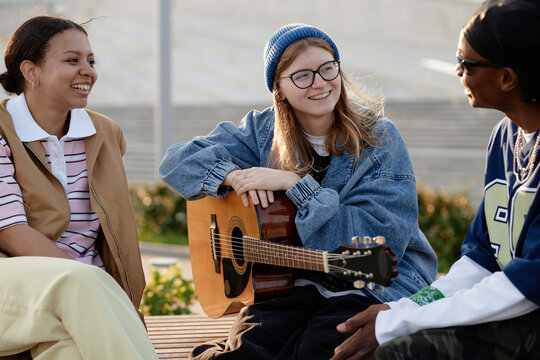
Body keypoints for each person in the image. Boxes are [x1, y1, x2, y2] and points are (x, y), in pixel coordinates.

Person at [159, 23, 437, 359]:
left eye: (328, 68)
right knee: (243, 355)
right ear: (279, 87)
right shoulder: (262, 132)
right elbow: (176, 162)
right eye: (303, 75)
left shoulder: (379, 137)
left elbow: (377, 240)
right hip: (286, 284)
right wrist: (233, 176)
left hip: (370, 285)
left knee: (320, 352)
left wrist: (294, 186)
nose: (320, 83)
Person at [331, 1, 540, 359]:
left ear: (507, 78)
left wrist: (404, 323)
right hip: (515, 308)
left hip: (528, 310)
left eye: (467, 64)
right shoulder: (504, 138)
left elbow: (524, 287)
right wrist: (404, 311)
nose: (457, 71)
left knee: (398, 352)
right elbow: (480, 261)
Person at [0, 16, 158, 359]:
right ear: (31, 72)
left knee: (72, 349)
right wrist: (103, 294)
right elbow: (10, 231)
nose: (88, 71)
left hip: (83, 298)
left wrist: (109, 296)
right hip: (13, 290)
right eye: (72, 60)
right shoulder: (2, 131)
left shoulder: (106, 134)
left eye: (90, 60)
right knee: (80, 285)